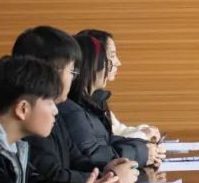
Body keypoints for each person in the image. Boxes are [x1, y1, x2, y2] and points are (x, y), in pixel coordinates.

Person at [13, 26, 139, 183]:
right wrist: (108, 178)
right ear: (51, 72)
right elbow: (50, 179)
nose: (74, 78)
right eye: (72, 71)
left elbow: (76, 160)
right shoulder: (33, 116)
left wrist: (106, 169)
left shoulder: (54, 110)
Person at [59, 34, 164, 172]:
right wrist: (143, 152)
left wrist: (146, 147)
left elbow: (109, 141)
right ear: (92, 67)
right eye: (107, 62)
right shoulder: (74, 111)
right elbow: (94, 157)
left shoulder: (90, 105)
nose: (113, 66)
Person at [76, 29, 160, 143]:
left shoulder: (97, 97)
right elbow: (107, 146)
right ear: (95, 59)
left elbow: (117, 132)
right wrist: (142, 135)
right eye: (112, 55)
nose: (118, 62)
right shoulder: (77, 106)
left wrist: (144, 131)